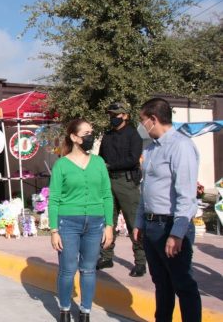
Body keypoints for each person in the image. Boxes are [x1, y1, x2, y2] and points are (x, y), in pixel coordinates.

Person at [133, 98, 201, 322]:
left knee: (183, 284)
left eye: (143, 121)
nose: (142, 126)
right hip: (152, 226)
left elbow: (186, 195)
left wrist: (177, 232)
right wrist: (140, 222)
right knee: (161, 284)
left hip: (171, 226)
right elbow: (146, 189)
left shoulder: (181, 146)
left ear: (154, 119)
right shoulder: (152, 150)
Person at [49, 119, 114, 322]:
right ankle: (65, 309)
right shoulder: (61, 164)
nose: (90, 137)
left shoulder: (98, 162)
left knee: (88, 270)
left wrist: (109, 225)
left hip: (95, 224)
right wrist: (53, 230)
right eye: (86, 133)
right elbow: (54, 199)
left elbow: (106, 195)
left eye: (91, 132)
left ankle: (86, 311)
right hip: (68, 223)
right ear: (74, 137)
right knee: (68, 270)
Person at [97, 102, 146, 277]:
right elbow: (101, 157)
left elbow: (133, 159)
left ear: (125, 115)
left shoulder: (134, 135)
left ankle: (140, 261)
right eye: (110, 114)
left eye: (116, 115)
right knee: (107, 220)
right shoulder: (108, 135)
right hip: (109, 181)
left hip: (126, 182)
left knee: (134, 222)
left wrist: (109, 166)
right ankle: (106, 256)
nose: (113, 118)